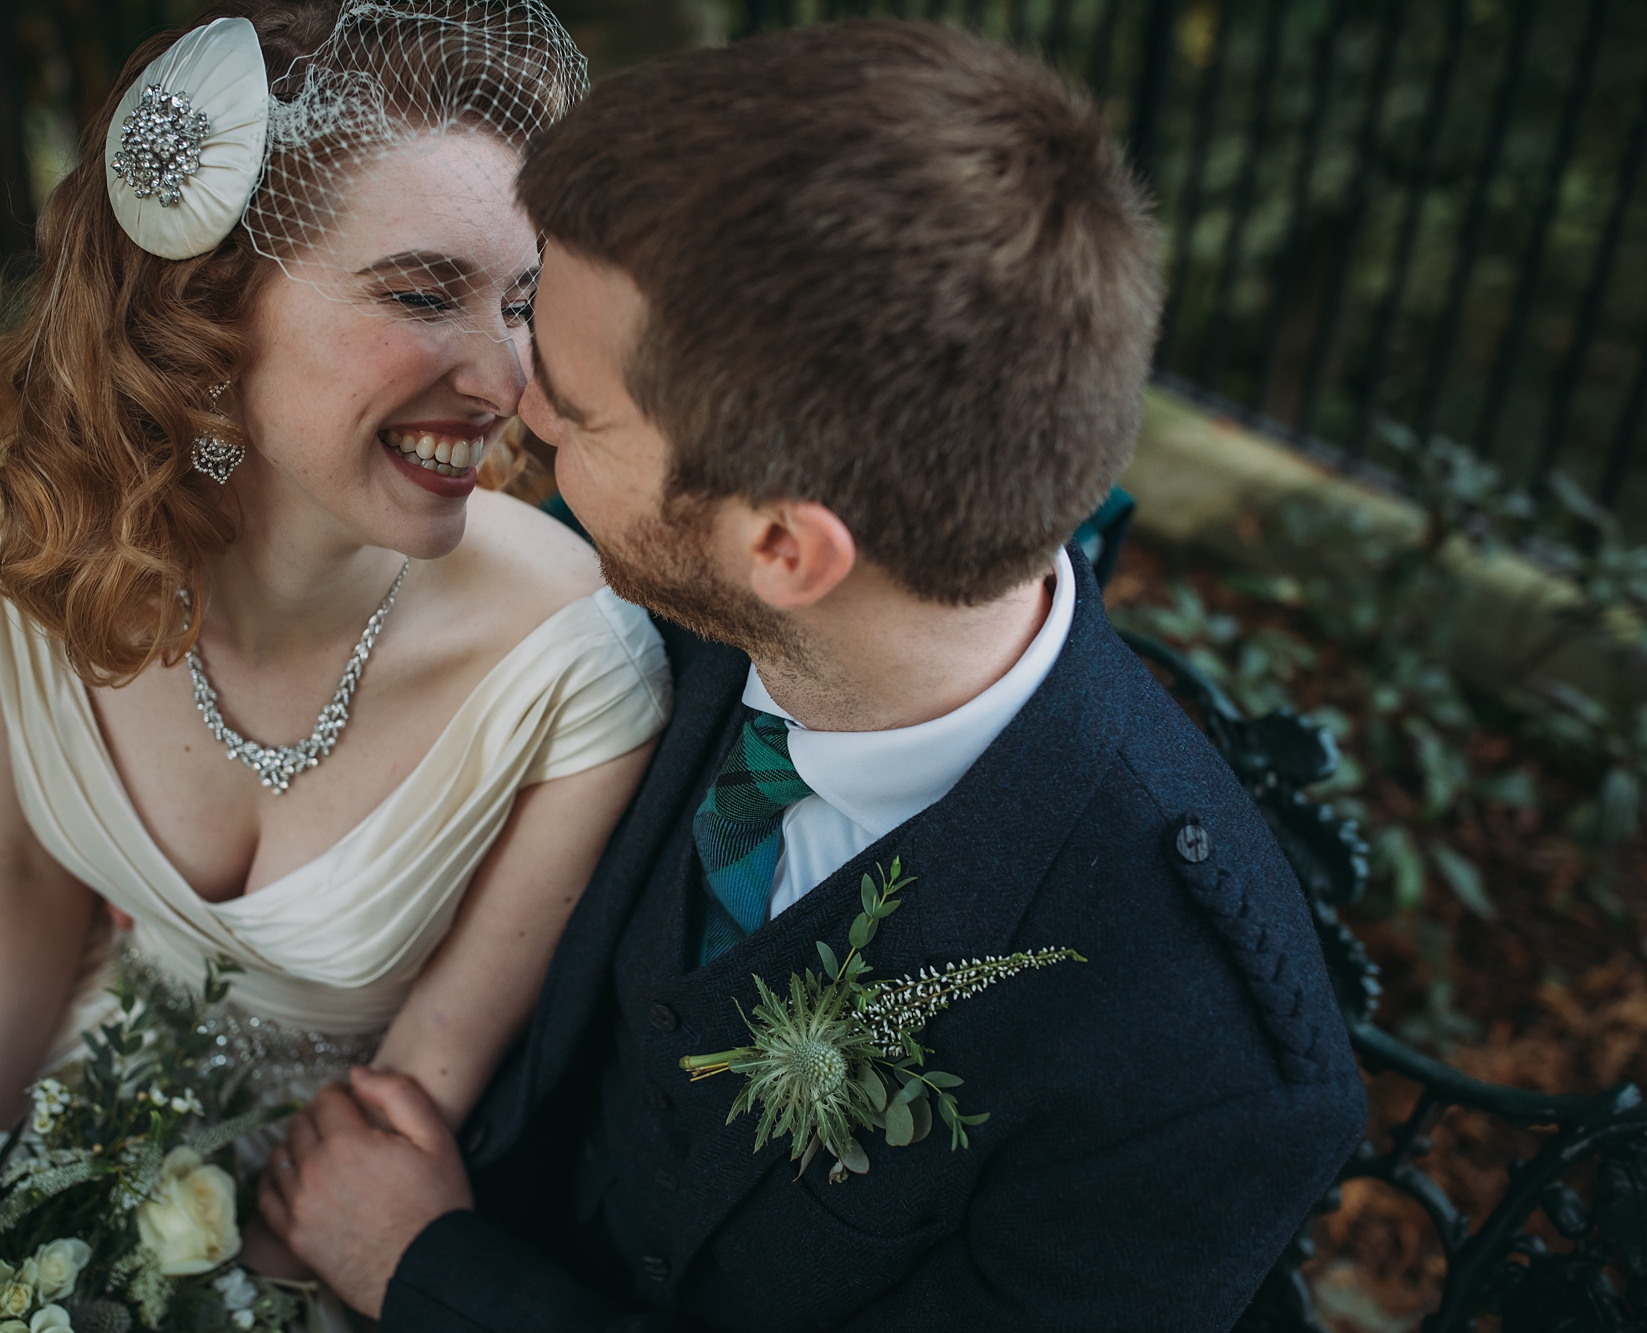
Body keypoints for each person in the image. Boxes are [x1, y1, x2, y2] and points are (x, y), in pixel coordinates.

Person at [257, 21, 1369, 1331]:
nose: (520, 407)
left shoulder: (1199, 1078)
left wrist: (422, 1266)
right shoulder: (665, 609)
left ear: (783, 548)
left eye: (577, 406)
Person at [0, 3, 670, 1328]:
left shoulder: (575, 665)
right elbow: (21, 866)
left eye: (524, 300)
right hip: (39, 1040)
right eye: (423, 292)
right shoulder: (18, 529)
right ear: (212, 301)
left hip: (314, 1210)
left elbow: (408, 1100)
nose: (506, 376)